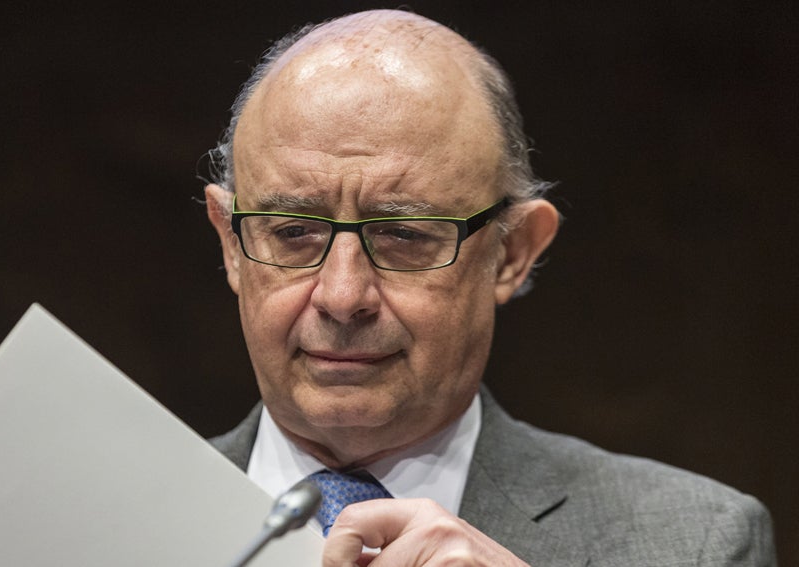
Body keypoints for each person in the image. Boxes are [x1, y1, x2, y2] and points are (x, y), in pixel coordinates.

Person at [203, 9, 775, 566]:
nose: (343, 296)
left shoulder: (698, 544)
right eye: (294, 232)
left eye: (404, 235)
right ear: (231, 244)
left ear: (513, 252)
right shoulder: (142, 513)